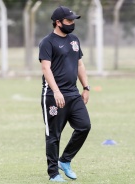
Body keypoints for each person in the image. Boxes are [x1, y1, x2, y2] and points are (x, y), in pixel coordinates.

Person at [39, 6, 91, 183]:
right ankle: (53, 173)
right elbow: (46, 68)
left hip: (73, 93)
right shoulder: (47, 42)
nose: (72, 23)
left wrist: (86, 87)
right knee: (54, 136)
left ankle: (65, 160)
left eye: (73, 20)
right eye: (69, 21)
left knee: (84, 126)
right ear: (58, 22)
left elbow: (80, 65)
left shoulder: (74, 40)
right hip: (53, 96)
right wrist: (56, 91)